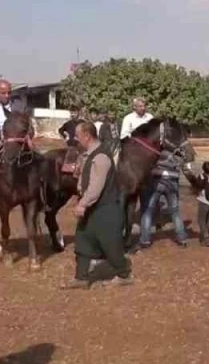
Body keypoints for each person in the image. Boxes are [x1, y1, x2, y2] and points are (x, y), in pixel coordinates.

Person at [64, 121, 133, 288]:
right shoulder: (89, 154)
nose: (76, 139)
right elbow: (85, 181)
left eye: (78, 136)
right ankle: (81, 278)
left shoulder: (101, 157)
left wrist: (83, 204)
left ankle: (124, 275)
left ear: (87, 136)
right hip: (93, 209)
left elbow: (96, 186)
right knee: (82, 241)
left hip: (106, 209)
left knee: (110, 244)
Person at [138, 147, 190, 249]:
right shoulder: (180, 150)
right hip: (173, 182)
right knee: (175, 212)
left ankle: (145, 240)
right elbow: (186, 169)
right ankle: (182, 238)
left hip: (156, 180)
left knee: (148, 210)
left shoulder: (155, 148)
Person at [184, 161, 209, 247]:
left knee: (201, 221)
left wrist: (192, 176)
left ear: (203, 169)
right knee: (208, 221)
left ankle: (206, 239)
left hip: (204, 202)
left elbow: (198, 185)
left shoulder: (202, 177)